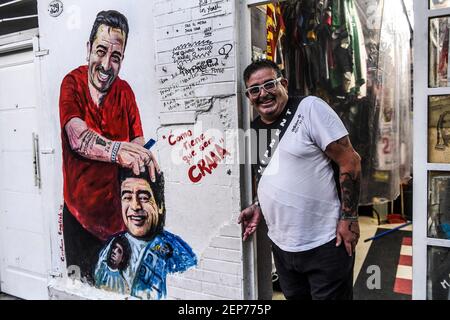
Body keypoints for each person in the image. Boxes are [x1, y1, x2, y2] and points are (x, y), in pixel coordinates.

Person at [238, 59, 361, 300]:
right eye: (254, 90)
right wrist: (258, 206)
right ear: (249, 96)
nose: (263, 94)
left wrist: (350, 218)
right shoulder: (252, 131)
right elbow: (266, 177)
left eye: (269, 85)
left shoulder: (309, 108)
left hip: (326, 243)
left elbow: (350, 161)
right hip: (283, 249)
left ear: (283, 83)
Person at [59, 10, 159, 283]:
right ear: (89, 48)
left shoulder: (125, 92)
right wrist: (117, 151)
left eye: (115, 57)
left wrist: (142, 159)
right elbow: (76, 137)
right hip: (79, 219)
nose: (106, 64)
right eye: (100, 51)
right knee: (82, 289)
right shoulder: (72, 83)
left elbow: (137, 143)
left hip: (119, 225)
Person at [95, 169, 197, 300]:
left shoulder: (177, 252)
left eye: (143, 198)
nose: (135, 206)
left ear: (159, 205)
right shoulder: (112, 246)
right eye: (127, 197)